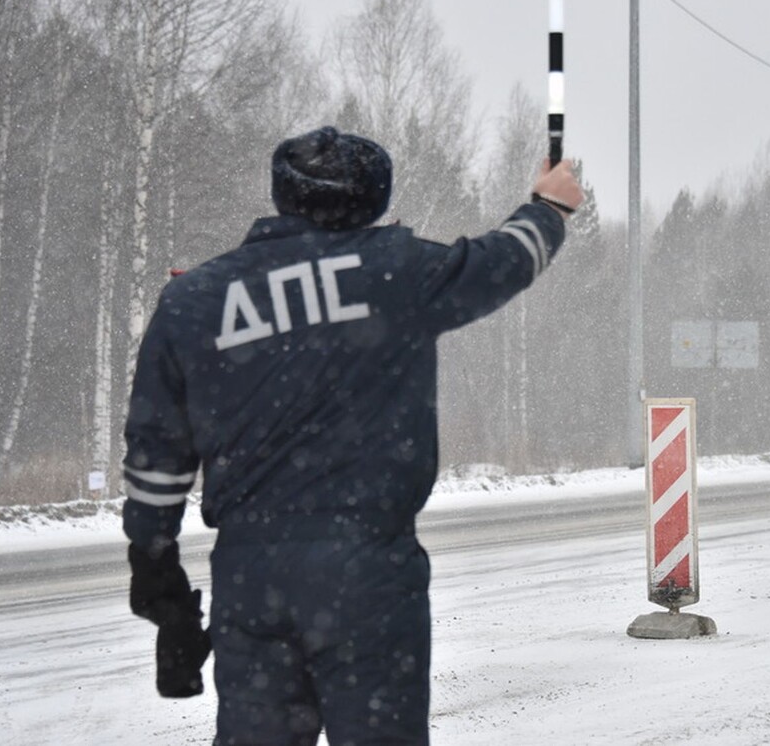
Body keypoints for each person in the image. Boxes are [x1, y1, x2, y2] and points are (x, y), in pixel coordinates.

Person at [121, 125, 582, 745]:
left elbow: (157, 459)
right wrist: (549, 206)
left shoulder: (193, 300)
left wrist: (160, 582)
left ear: (283, 193)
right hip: (370, 576)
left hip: (251, 578)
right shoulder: (395, 272)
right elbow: (504, 262)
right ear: (372, 198)